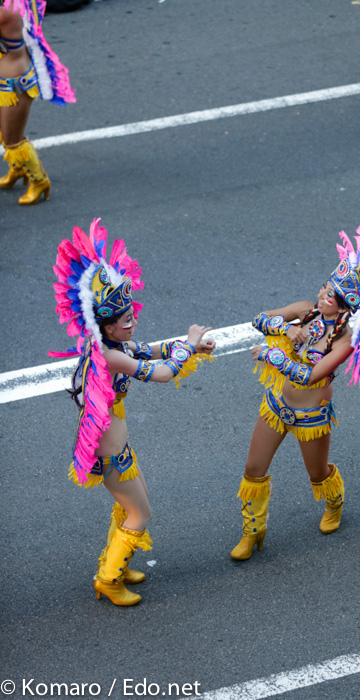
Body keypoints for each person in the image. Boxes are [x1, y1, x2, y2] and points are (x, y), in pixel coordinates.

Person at [230, 222, 360, 561]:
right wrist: (286, 330)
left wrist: (274, 356)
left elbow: (309, 376)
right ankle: (252, 531)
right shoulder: (305, 311)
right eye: (324, 288)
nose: (321, 296)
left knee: (317, 474)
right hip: (276, 405)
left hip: (311, 416)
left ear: (346, 306)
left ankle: (334, 503)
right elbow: (258, 319)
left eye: (330, 296)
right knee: (253, 469)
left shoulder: (345, 343)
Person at [50, 219, 216, 606]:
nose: (134, 321)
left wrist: (190, 345)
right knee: (139, 514)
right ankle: (108, 579)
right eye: (126, 320)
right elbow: (162, 373)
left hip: (117, 449)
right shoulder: (110, 357)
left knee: (135, 506)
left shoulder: (113, 346)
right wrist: (188, 346)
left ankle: (116, 565)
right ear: (108, 327)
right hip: (108, 453)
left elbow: (152, 351)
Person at [0, 0, 75, 204]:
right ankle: (18, 168)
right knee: (4, 131)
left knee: (13, 139)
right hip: (6, 81)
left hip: (15, 86)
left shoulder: (7, 12)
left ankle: (39, 181)